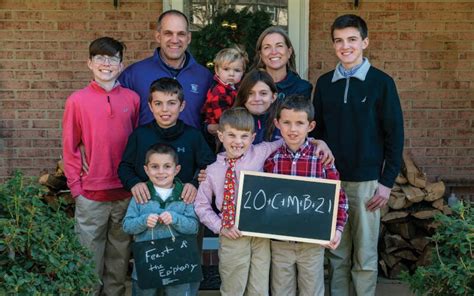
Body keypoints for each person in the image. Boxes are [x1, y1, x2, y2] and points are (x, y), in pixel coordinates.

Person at [310, 14, 404, 296]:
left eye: (352, 39)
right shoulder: (325, 83)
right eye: (338, 41)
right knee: (336, 256)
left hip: (367, 185)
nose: (345, 46)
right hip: (332, 182)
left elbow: (395, 136)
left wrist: (386, 183)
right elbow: (317, 133)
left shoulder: (381, 83)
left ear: (365, 41)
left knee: (364, 257)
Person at [62, 36, 139, 295]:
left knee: (118, 263)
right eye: (100, 58)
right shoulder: (77, 100)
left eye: (113, 58)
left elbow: (137, 142)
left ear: (121, 64)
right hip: (91, 195)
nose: (106, 63)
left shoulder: (132, 99)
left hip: (123, 193)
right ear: (89, 63)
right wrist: (76, 189)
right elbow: (70, 146)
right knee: (87, 262)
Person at [194, 107, 285, 296]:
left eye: (244, 136)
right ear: (220, 136)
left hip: (260, 234)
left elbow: (291, 140)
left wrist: (319, 142)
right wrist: (220, 227)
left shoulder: (261, 152)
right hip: (231, 233)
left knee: (259, 287)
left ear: (252, 137)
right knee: (233, 287)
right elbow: (201, 206)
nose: (238, 142)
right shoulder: (211, 170)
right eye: (231, 135)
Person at [264, 95, 348, 296]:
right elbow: (263, 199)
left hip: (312, 244)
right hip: (280, 243)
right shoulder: (271, 160)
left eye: (299, 123)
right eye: (287, 123)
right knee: (281, 291)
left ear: (310, 126)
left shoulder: (322, 158)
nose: (293, 129)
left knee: (312, 291)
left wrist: (337, 229)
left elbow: (339, 196)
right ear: (277, 124)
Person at [118, 77, 215, 205]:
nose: (165, 109)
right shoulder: (139, 135)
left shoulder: (193, 136)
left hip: (183, 206)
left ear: (182, 106)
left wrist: (195, 183)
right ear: (150, 106)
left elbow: (210, 167)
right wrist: (134, 183)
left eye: (171, 103)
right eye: (158, 103)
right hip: (146, 205)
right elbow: (125, 167)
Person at [123, 143, 200, 296]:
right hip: (146, 264)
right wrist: (143, 221)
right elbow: (127, 226)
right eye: (155, 167)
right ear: (146, 169)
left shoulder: (185, 195)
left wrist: (176, 219)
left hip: (178, 265)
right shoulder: (141, 195)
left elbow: (194, 227)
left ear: (176, 169)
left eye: (167, 166)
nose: (161, 172)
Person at [119, 9, 212, 128]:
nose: (175, 40)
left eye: (181, 34)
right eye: (168, 33)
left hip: (190, 146)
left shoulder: (204, 76)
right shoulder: (133, 75)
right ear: (158, 36)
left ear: (188, 38)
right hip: (147, 146)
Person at [252, 26, 312, 101]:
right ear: (260, 54)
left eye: (279, 46)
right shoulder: (249, 85)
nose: (274, 52)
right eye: (267, 47)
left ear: (289, 52)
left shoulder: (302, 88)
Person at [202, 46, 248, 136]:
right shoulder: (219, 90)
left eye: (237, 70)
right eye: (226, 69)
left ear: (243, 72)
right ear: (217, 70)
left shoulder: (236, 88)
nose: (231, 74)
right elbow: (222, 117)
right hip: (218, 132)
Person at [233, 69, 280, 144]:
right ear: (243, 96)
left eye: (263, 93)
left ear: (273, 97)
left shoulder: (283, 123)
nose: (257, 99)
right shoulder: (231, 122)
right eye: (250, 93)